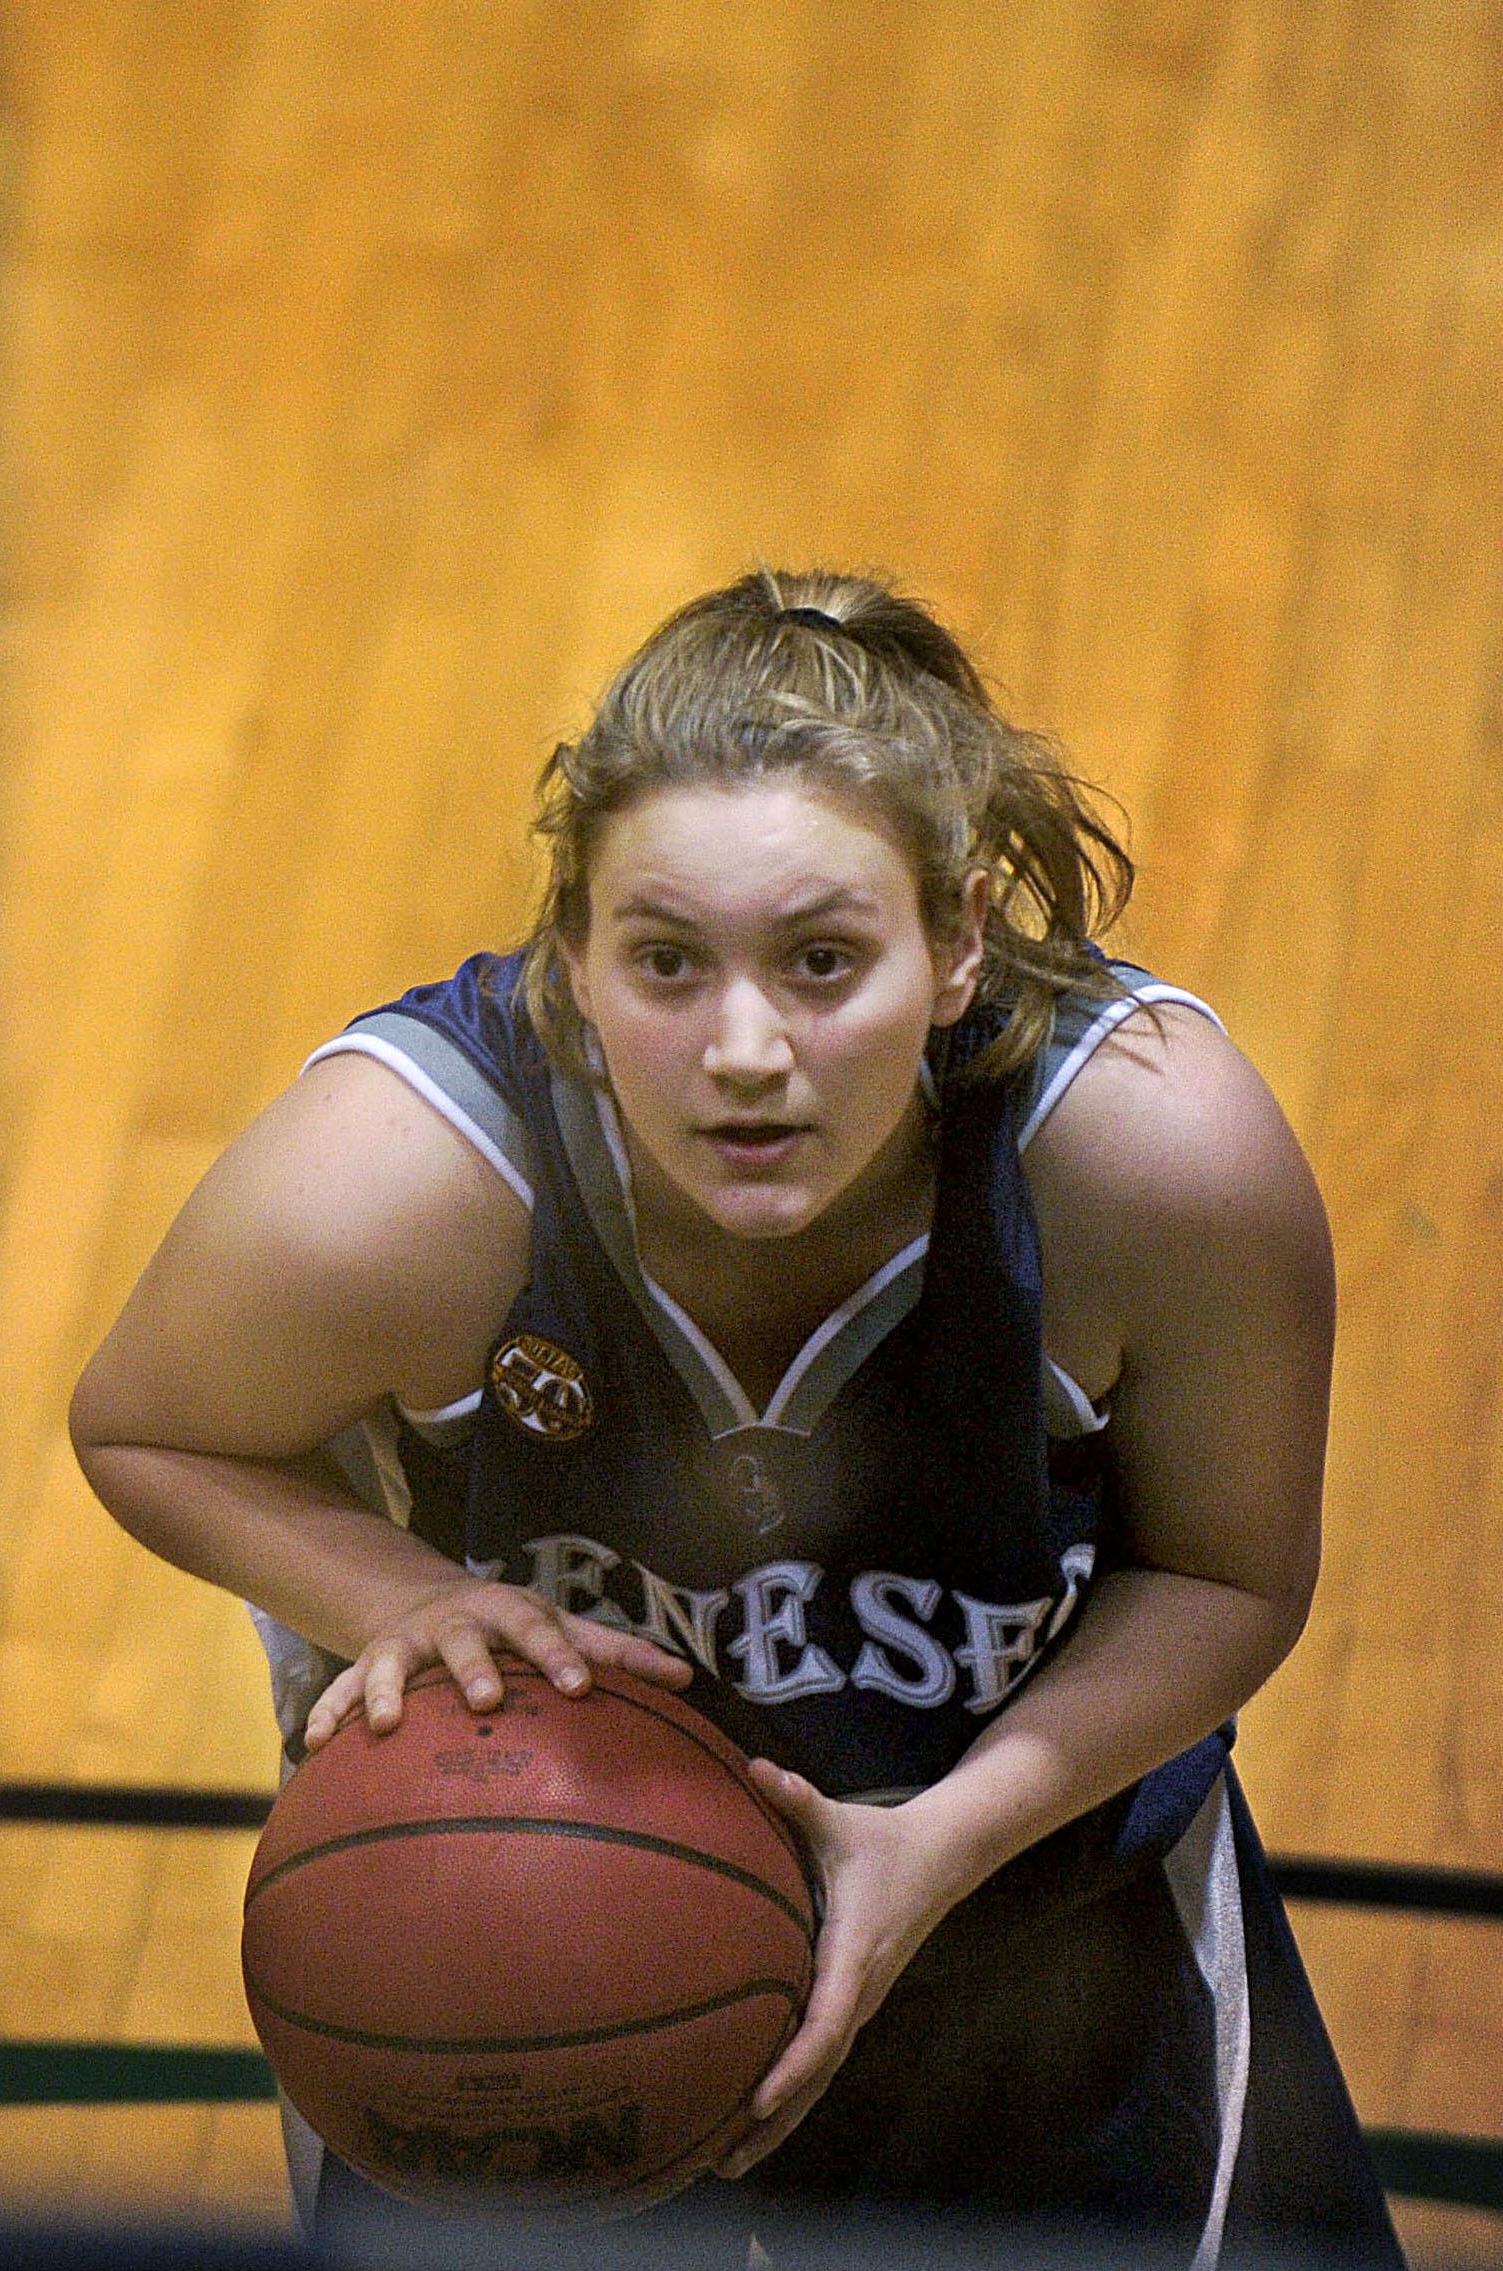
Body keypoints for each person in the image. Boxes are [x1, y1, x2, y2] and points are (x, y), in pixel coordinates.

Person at [68, 570, 1400, 2267]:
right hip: (504, 1964)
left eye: (824, 960)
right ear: (571, 960)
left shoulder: (1146, 1162)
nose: (744, 1047)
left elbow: (1225, 1581)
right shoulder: (399, 1187)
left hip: (1033, 1943)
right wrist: (401, 1603)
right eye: (666, 964)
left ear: (959, 943)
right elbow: (149, 1428)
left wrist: (936, 1847)